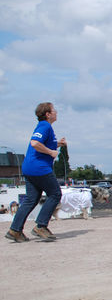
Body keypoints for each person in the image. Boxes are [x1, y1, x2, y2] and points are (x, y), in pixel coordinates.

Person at [5, 102, 67, 242]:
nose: (56, 112)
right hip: (39, 168)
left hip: (29, 167)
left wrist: (57, 144)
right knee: (55, 193)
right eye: (54, 110)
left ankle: (15, 230)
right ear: (48, 114)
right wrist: (51, 152)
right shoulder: (45, 126)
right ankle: (41, 226)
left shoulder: (45, 127)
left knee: (31, 199)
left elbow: (41, 142)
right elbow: (35, 143)